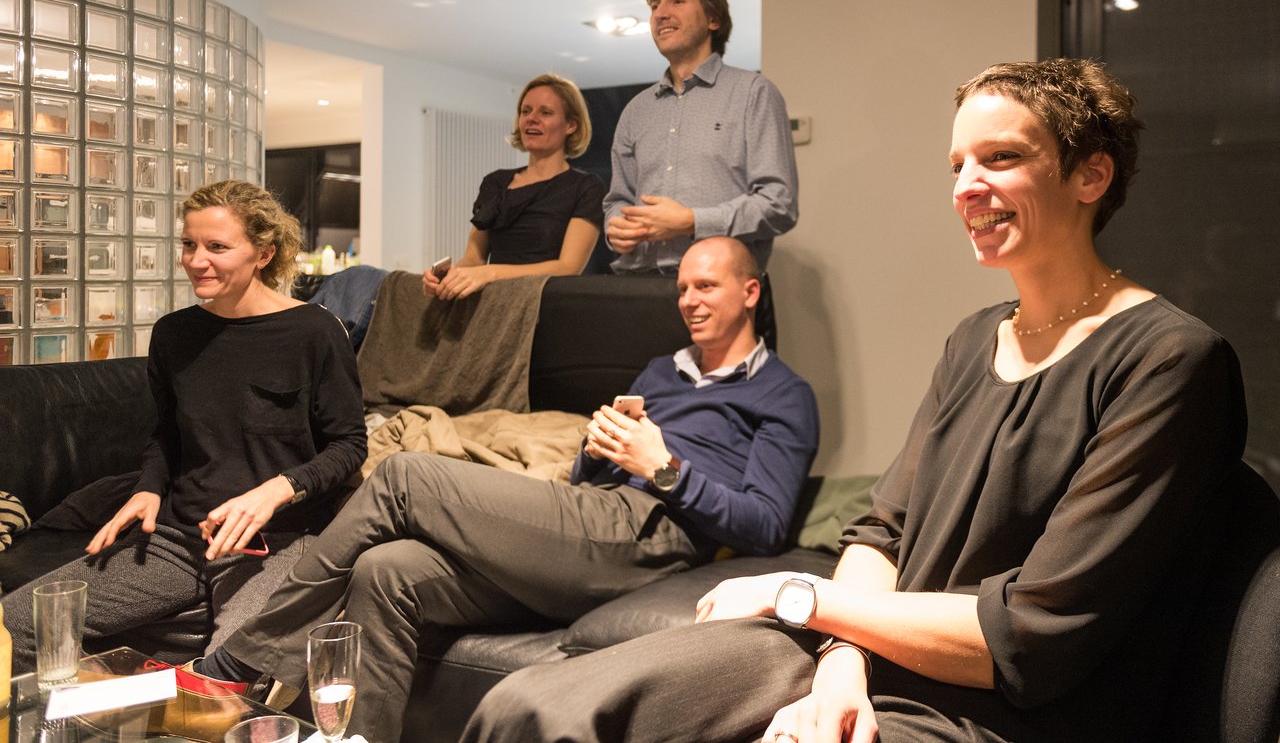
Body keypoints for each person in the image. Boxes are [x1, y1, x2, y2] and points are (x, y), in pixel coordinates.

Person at [460, 58, 1249, 743]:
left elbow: (1030, 637)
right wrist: (841, 663)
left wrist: (801, 595)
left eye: (1000, 158)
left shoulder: (1169, 359)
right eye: (956, 165)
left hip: (1004, 710)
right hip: (873, 653)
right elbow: (885, 531)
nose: (967, 188)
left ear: (1091, 174)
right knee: (533, 708)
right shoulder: (974, 339)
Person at [195, 235, 821, 742]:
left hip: (652, 533)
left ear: (750, 291)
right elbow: (585, 484)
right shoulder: (662, 371)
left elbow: (766, 524)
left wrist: (663, 466)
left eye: (705, 286)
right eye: (682, 287)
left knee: (403, 474)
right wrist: (601, 446)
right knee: (386, 572)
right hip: (594, 520)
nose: (689, 300)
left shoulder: (784, 394)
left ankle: (242, 660)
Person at [5, 180, 366, 672]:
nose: (197, 260)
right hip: (177, 538)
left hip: (274, 540)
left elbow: (349, 445)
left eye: (217, 247)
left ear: (264, 253)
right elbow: (168, 434)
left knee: (230, 673)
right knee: (14, 627)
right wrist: (149, 487)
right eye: (189, 244)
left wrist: (278, 489)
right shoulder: (174, 333)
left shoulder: (315, 331)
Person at [604, 0, 799, 278]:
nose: (660, 14)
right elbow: (617, 201)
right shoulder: (636, 110)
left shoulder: (753, 93)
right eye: (654, 5)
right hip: (638, 288)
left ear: (713, 19)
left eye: (677, 1)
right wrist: (616, 227)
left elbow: (779, 204)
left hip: (721, 287)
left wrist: (692, 221)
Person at [423, 73, 605, 301]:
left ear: (571, 125)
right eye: (525, 111)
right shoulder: (495, 182)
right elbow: (474, 258)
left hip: (550, 308)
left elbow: (567, 267)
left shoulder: (585, 188)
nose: (532, 118)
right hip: (496, 306)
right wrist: (451, 277)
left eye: (545, 112)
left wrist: (491, 273)